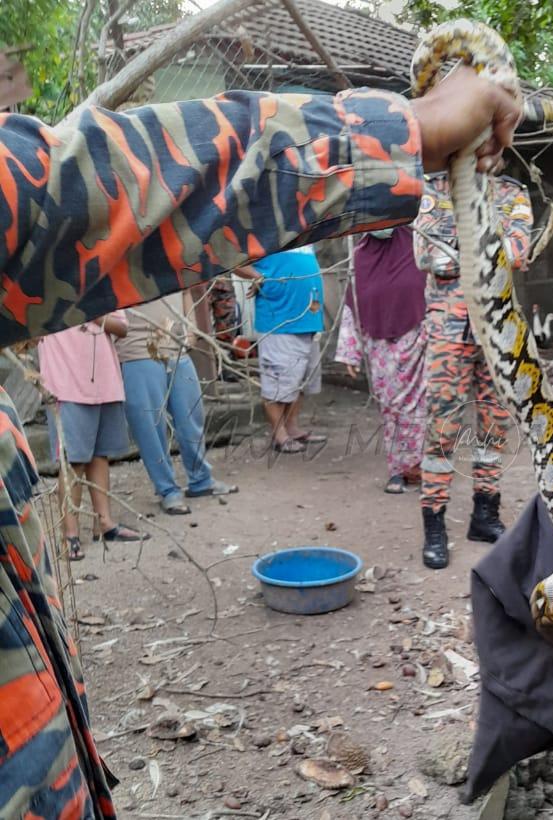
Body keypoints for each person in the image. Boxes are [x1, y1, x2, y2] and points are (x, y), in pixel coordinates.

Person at [0, 67, 521, 819]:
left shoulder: (509, 205)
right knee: (427, 432)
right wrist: (398, 131)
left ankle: (475, 513)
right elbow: (81, 186)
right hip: (426, 340)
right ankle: (437, 521)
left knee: (480, 437)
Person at [414, 172, 533, 569]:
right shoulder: (433, 190)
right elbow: (426, 256)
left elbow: (518, 252)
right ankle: (435, 524)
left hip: (498, 326)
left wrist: (459, 250)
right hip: (449, 327)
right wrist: (488, 250)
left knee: (495, 425)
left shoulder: (512, 192)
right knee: (443, 428)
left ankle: (485, 514)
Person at [38, 311, 150, 560]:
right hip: (65, 385)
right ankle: (70, 535)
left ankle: (105, 524)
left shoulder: (100, 289)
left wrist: (94, 314)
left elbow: (122, 328)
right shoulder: (47, 289)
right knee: (73, 461)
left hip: (105, 381)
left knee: (100, 455)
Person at [116, 293, 238, 514]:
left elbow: (185, 291)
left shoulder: (169, 262)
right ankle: (167, 490)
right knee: (151, 426)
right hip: (137, 351)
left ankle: (201, 480)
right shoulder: (116, 263)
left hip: (177, 348)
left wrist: (190, 329)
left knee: (192, 416)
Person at [335, 226, 428, 492]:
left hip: (419, 339)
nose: (381, 227)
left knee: (422, 405)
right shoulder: (361, 254)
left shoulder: (417, 245)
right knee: (390, 406)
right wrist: (349, 353)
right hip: (379, 347)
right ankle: (397, 470)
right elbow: (352, 303)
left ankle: (423, 468)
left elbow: (434, 289)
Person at [237, 246, 326, 454]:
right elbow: (228, 258)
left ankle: (292, 428)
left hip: (309, 319)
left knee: (301, 380)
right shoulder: (264, 231)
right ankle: (279, 435)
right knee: (277, 382)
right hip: (279, 320)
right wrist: (258, 276)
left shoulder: (304, 231)